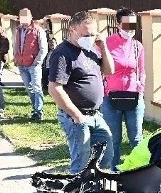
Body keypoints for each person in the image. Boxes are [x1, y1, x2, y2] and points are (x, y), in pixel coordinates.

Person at [47, 11, 115, 175]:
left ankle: (97, 192)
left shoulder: (91, 50)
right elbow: (54, 88)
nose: (90, 38)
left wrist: (103, 46)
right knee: (81, 163)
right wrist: (77, 116)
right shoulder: (63, 53)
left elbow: (110, 70)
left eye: (92, 34)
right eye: (85, 34)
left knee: (106, 156)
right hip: (76, 117)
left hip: (96, 115)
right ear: (72, 30)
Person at [101, 8, 146, 170]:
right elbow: (98, 69)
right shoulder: (107, 43)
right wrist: (103, 91)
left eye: (133, 24)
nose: (130, 28)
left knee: (137, 139)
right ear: (118, 24)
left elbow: (142, 71)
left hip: (133, 97)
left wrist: (140, 90)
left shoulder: (137, 46)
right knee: (114, 139)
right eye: (126, 24)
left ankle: (139, 172)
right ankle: (114, 173)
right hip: (110, 98)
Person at [13, 8, 48, 121]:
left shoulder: (38, 30)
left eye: (25, 17)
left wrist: (37, 61)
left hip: (33, 65)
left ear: (30, 17)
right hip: (21, 64)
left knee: (37, 88)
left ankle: (39, 111)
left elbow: (44, 48)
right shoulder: (18, 30)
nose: (23, 19)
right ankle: (35, 108)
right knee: (29, 88)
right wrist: (15, 57)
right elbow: (16, 45)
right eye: (21, 17)